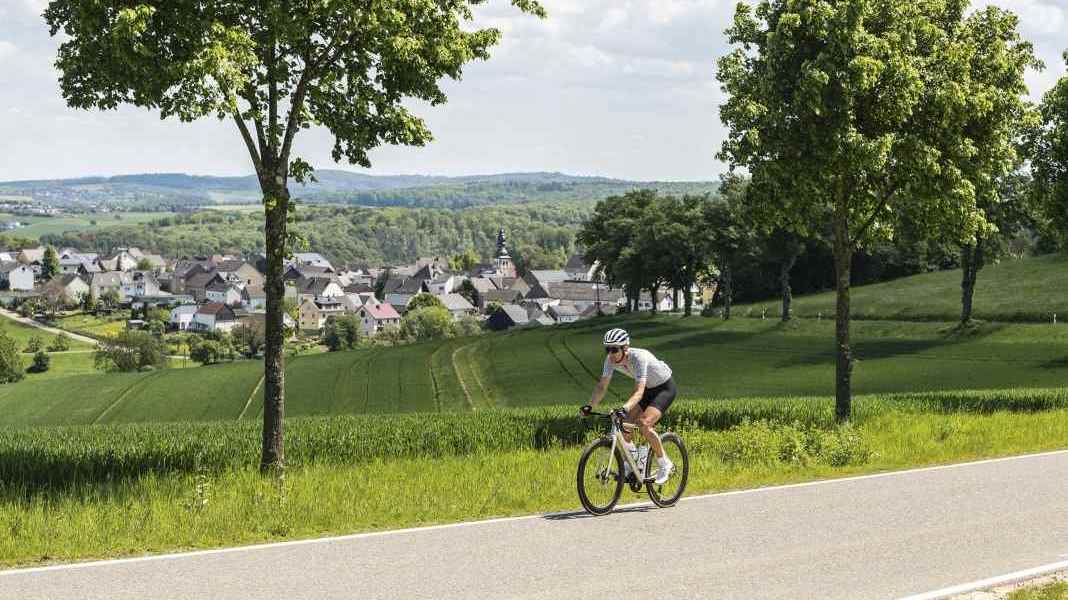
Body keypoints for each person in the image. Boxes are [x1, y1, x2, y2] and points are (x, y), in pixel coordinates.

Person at [581, 328, 676, 484]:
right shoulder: (609, 360)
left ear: (625, 348)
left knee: (644, 424)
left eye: (614, 349)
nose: (610, 354)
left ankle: (665, 464)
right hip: (646, 390)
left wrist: (624, 408)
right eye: (607, 349)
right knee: (624, 425)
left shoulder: (639, 357)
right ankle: (633, 463)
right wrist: (590, 406)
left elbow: (639, 391)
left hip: (663, 388)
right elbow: (602, 386)